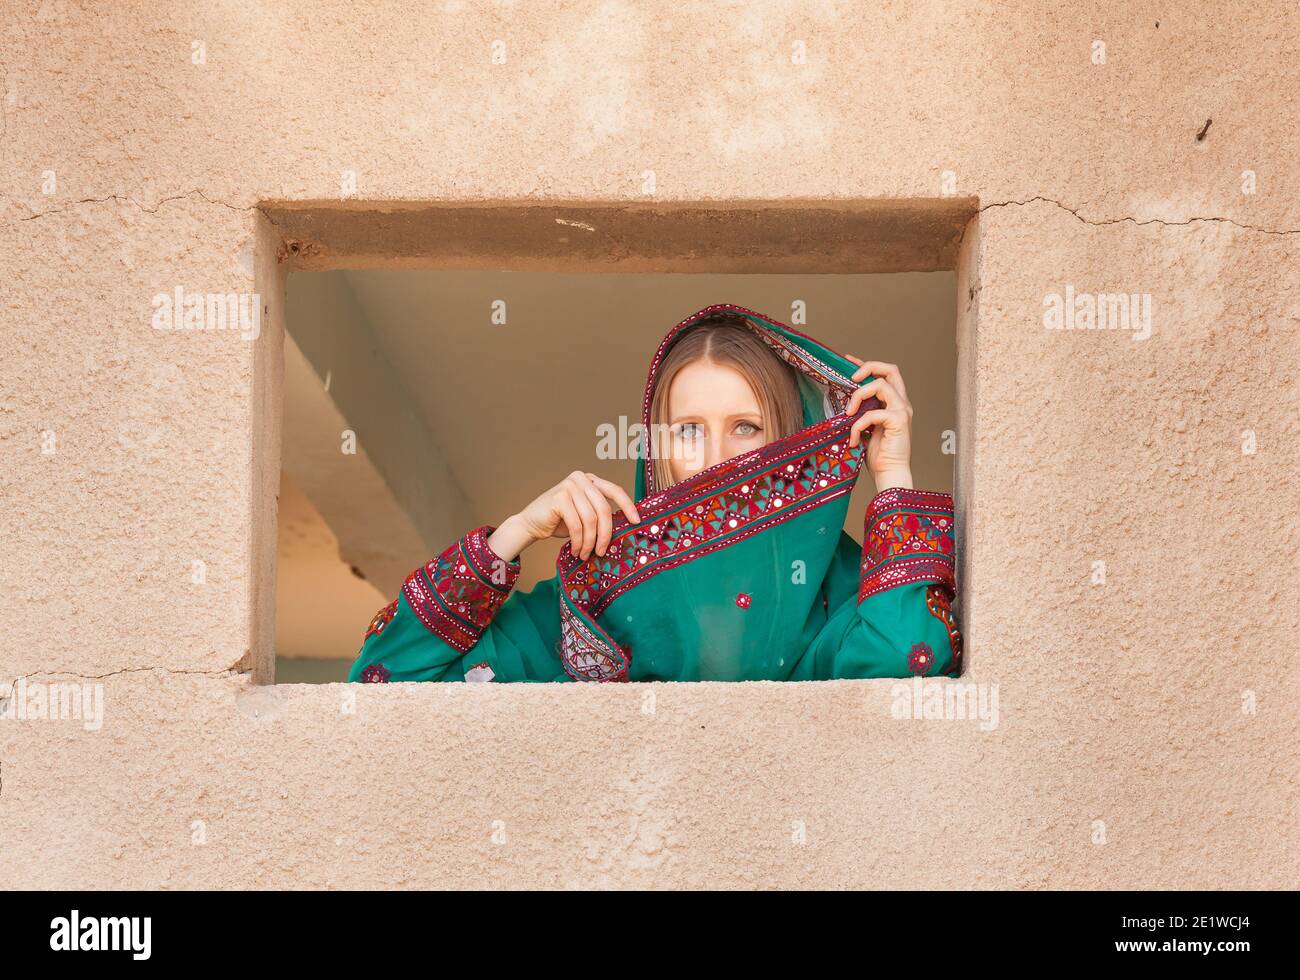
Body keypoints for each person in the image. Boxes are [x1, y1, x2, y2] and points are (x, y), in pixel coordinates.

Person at [348, 303, 960, 683]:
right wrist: (515, 534)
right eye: (688, 431)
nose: (717, 458)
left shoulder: (839, 593)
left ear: (789, 440)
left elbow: (908, 658)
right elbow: (387, 680)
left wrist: (893, 472)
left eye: (745, 428)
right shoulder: (589, 605)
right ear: (654, 447)